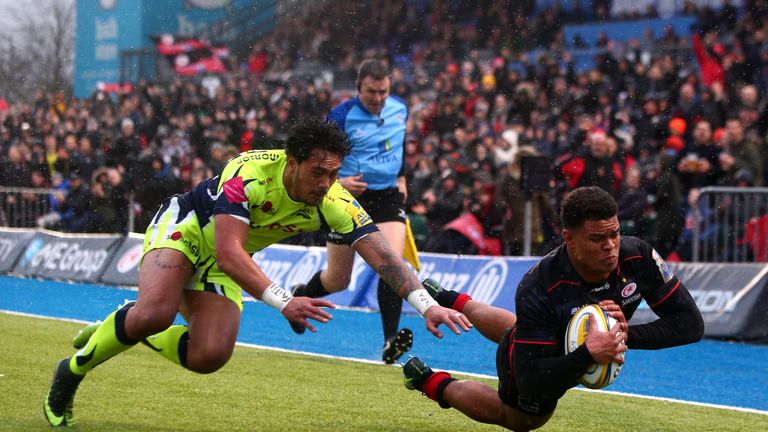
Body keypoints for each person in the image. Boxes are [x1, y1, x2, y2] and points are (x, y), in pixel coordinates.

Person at [43, 117, 471, 427]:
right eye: (317, 172)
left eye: (334, 174)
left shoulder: (334, 199)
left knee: (210, 357)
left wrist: (426, 304)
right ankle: (72, 371)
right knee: (155, 310)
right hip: (185, 230)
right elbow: (229, 252)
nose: (325, 183)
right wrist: (285, 301)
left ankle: (130, 324)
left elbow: (385, 258)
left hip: (228, 257)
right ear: (292, 162)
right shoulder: (248, 171)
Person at [402, 186, 704, 431]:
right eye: (597, 239)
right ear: (569, 238)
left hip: (575, 338)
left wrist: (623, 336)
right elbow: (532, 384)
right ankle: (428, 380)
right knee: (521, 419)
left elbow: (690, 324)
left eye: (614, 234)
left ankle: (451, 297)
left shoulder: (638, 256)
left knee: (516, 328)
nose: (610, 246)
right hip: (544, 358)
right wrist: (588, 352)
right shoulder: (539, 286)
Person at [290, 60, 415, 364]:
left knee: (392, 264)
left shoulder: (399, 109)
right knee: (338, 280)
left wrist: (401, 178)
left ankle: (389, 342)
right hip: (346, 198)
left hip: (387, 198)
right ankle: (302, 293)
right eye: (371, 92)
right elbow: (322, 156)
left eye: (383, 91)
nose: (378, 98)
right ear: (359, 87)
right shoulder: (342, 115)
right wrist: (339, 182)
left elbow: (400, 146)